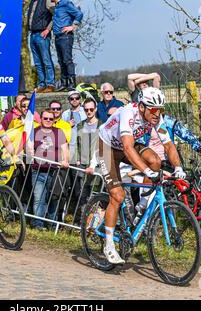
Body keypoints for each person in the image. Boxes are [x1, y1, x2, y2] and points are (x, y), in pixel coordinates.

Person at [98, 87, 186, 264]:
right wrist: (147, 172)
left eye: (161, 109)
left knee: (155, 160)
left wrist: (178, 168)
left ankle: (142, 205)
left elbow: (168, 145)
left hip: (126, 146)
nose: (157, 114)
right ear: (141, 107)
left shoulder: (156, 118)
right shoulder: (128, 114)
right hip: (107, 148)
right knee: (118, 196)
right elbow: (128, 148)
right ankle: (108, 246)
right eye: (154, 109)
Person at [27, 108, 69, 230]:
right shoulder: (33, 132)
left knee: (53, 198)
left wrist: (65, 160)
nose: (48, 120)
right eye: (45, 118)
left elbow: (64, 149)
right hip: (38, 170)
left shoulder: (59, 132)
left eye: (51, 119)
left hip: (54, 171)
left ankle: (52, 224)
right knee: (39, 198)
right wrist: (30, 152)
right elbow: (29, 148)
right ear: (41, 119)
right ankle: (38, 224)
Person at [53, 0, 83, 91]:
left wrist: (72, 26)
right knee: (61, 61)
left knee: (67, 60)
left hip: (65, 36)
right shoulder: (57, 6)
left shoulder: (66, 3)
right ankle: (64, 83)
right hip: (57, 36)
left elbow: (79, 14)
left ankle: (72, 83)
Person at [27, 0, 56, 93]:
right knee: (37, 62)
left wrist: (48, 29)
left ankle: (50, 84)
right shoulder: (32, 2)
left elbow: (56, 15)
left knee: (46, 60)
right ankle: (41, 84)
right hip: (32, 34)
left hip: (42, 33)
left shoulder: (46, 1)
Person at [62, 90, 86, 163]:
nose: (74, 100)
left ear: (80, 99)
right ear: (69, 100)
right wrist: (68, 125)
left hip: (84, 146)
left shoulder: (86, 111)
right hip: (71, 147)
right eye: (72, 98)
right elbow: (62, 131)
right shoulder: (65, 114)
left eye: (77, 98)